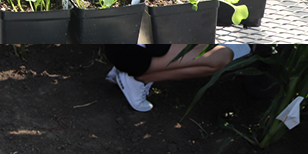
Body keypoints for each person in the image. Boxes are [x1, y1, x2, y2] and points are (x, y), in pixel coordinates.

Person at [102, 43, 251, 112]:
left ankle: (124, 69)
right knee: (221, 57)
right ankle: (139, 78)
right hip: (130, 53)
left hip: (119, 41)